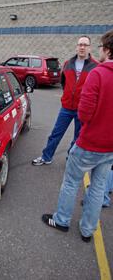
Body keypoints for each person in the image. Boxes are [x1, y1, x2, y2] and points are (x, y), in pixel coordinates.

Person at [41, 29, 113, 242]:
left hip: (90, 143)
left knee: (71, 182)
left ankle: (62, 220)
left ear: (107, 49)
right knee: (98, 187)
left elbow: (84, 114)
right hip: (110, 148)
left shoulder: (97, 73)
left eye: (100, 47)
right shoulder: (73, 65)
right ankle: (87, 230)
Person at [32, 36, 98, 166]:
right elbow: (64, 82)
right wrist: (67, 96)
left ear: (90, 47)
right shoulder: (68, 63)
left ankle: (71, 158)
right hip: (67, 107)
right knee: (56, 133)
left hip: (83, 109)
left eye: (85, 45)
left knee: (78, 138)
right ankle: (46, 157)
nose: (82, 47)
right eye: (80, 44)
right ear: (76, 46)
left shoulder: (95, 66)